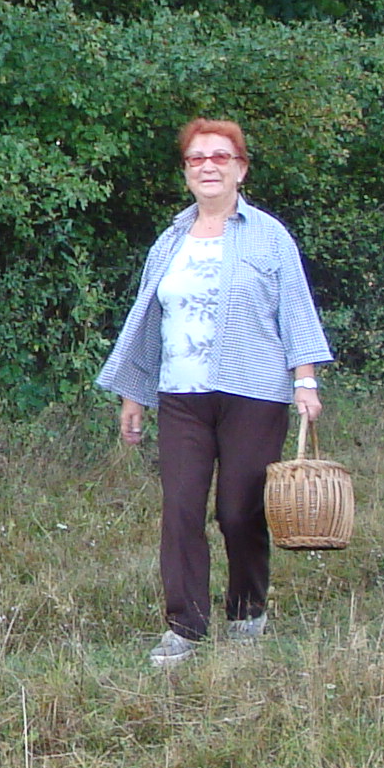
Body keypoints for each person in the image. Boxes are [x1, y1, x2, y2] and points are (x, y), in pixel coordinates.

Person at [97, 117, 331, 667]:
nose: (208, 166)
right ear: (186, 172)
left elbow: (296, 309)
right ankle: (184, 626)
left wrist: (305, 380)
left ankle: (247, 612)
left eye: (220, 157)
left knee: (238, 510)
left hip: (255, 393)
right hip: (182, 396)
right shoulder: (170, 241)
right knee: (181, 508)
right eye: (197, 158)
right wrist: (134, 395)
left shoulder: (269, 236)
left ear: (240, 169)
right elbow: (147, 320)